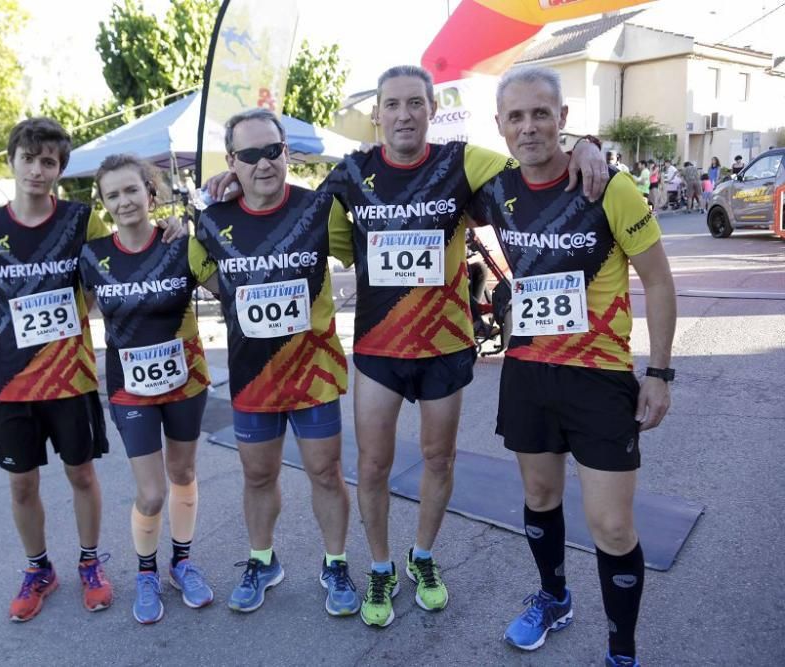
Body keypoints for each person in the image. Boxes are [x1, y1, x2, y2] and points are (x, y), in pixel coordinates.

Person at [206, 66, 608, 629]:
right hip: (378, 347)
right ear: (378, 114)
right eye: (392, 104)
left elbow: (537, 161)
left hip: (445, 346)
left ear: (430, 109)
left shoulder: (463, 161)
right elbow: (287, 213)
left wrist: (585, 144)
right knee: (372, 465)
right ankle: (379, 564)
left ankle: (423, 557)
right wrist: (232, 189)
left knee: (439, 458)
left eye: (415, 103)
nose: (403, 114)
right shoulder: (351, 173)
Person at [467, 65, 676, 667]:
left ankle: (621, 650)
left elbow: (659, 282)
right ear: (500, 126)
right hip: (529, 372)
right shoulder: (494, 186)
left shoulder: (607, 187)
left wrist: (659, 373)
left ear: (562, 118)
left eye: (541, 114)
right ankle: (555, 598)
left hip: (600, 377)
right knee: (539, 495)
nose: (529, 127)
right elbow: (419, 165)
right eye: (516, 116)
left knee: (611, 525)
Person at [190, 109, 359, 617]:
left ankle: (335, 564)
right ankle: (263, 561)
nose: (263, 164)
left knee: (325, 472)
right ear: (232, 162)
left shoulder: (321, 208)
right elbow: (198, 265)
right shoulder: (212, 217)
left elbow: (365, 251)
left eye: (272, 151)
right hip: (252, 373)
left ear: (286, 152)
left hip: (315, 369)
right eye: (249, 155)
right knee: (258, 475)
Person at [0, 117, 116, 622]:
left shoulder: (80, 220)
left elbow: (101, 283)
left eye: (47, 161)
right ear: (12, 161)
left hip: (69, 376)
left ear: (59, 170)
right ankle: (39, 569)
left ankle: (90, 563)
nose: (36, 169)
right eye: (27, 158)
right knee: (21, 484)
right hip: (12, 382)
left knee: (81, 472)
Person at [78, 154, 214, 624]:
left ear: (150, 194)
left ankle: (182, 562)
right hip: (127, 387)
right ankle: (146, 572)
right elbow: (70, 311)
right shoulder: (93, 258)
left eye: (131, 190)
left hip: (186, 378)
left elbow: (230, 287)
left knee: (183, 472)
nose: (124, 201)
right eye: (112, 195)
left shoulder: (182, 245)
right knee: (151, 492)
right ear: (105, 204)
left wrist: (206, 223)